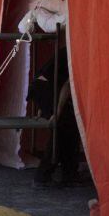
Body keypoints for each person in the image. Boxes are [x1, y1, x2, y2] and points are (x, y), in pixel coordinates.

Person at [27, 47, 83, 188]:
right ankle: (44, 176)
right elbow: (66, 86)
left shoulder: (70, 47)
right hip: (47, 89)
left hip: (42, 88)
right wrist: (56, 112)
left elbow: (49, 74)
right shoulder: (77, 51)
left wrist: (44, 108)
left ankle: (68, 173)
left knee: (69, 127)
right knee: (63, 128)